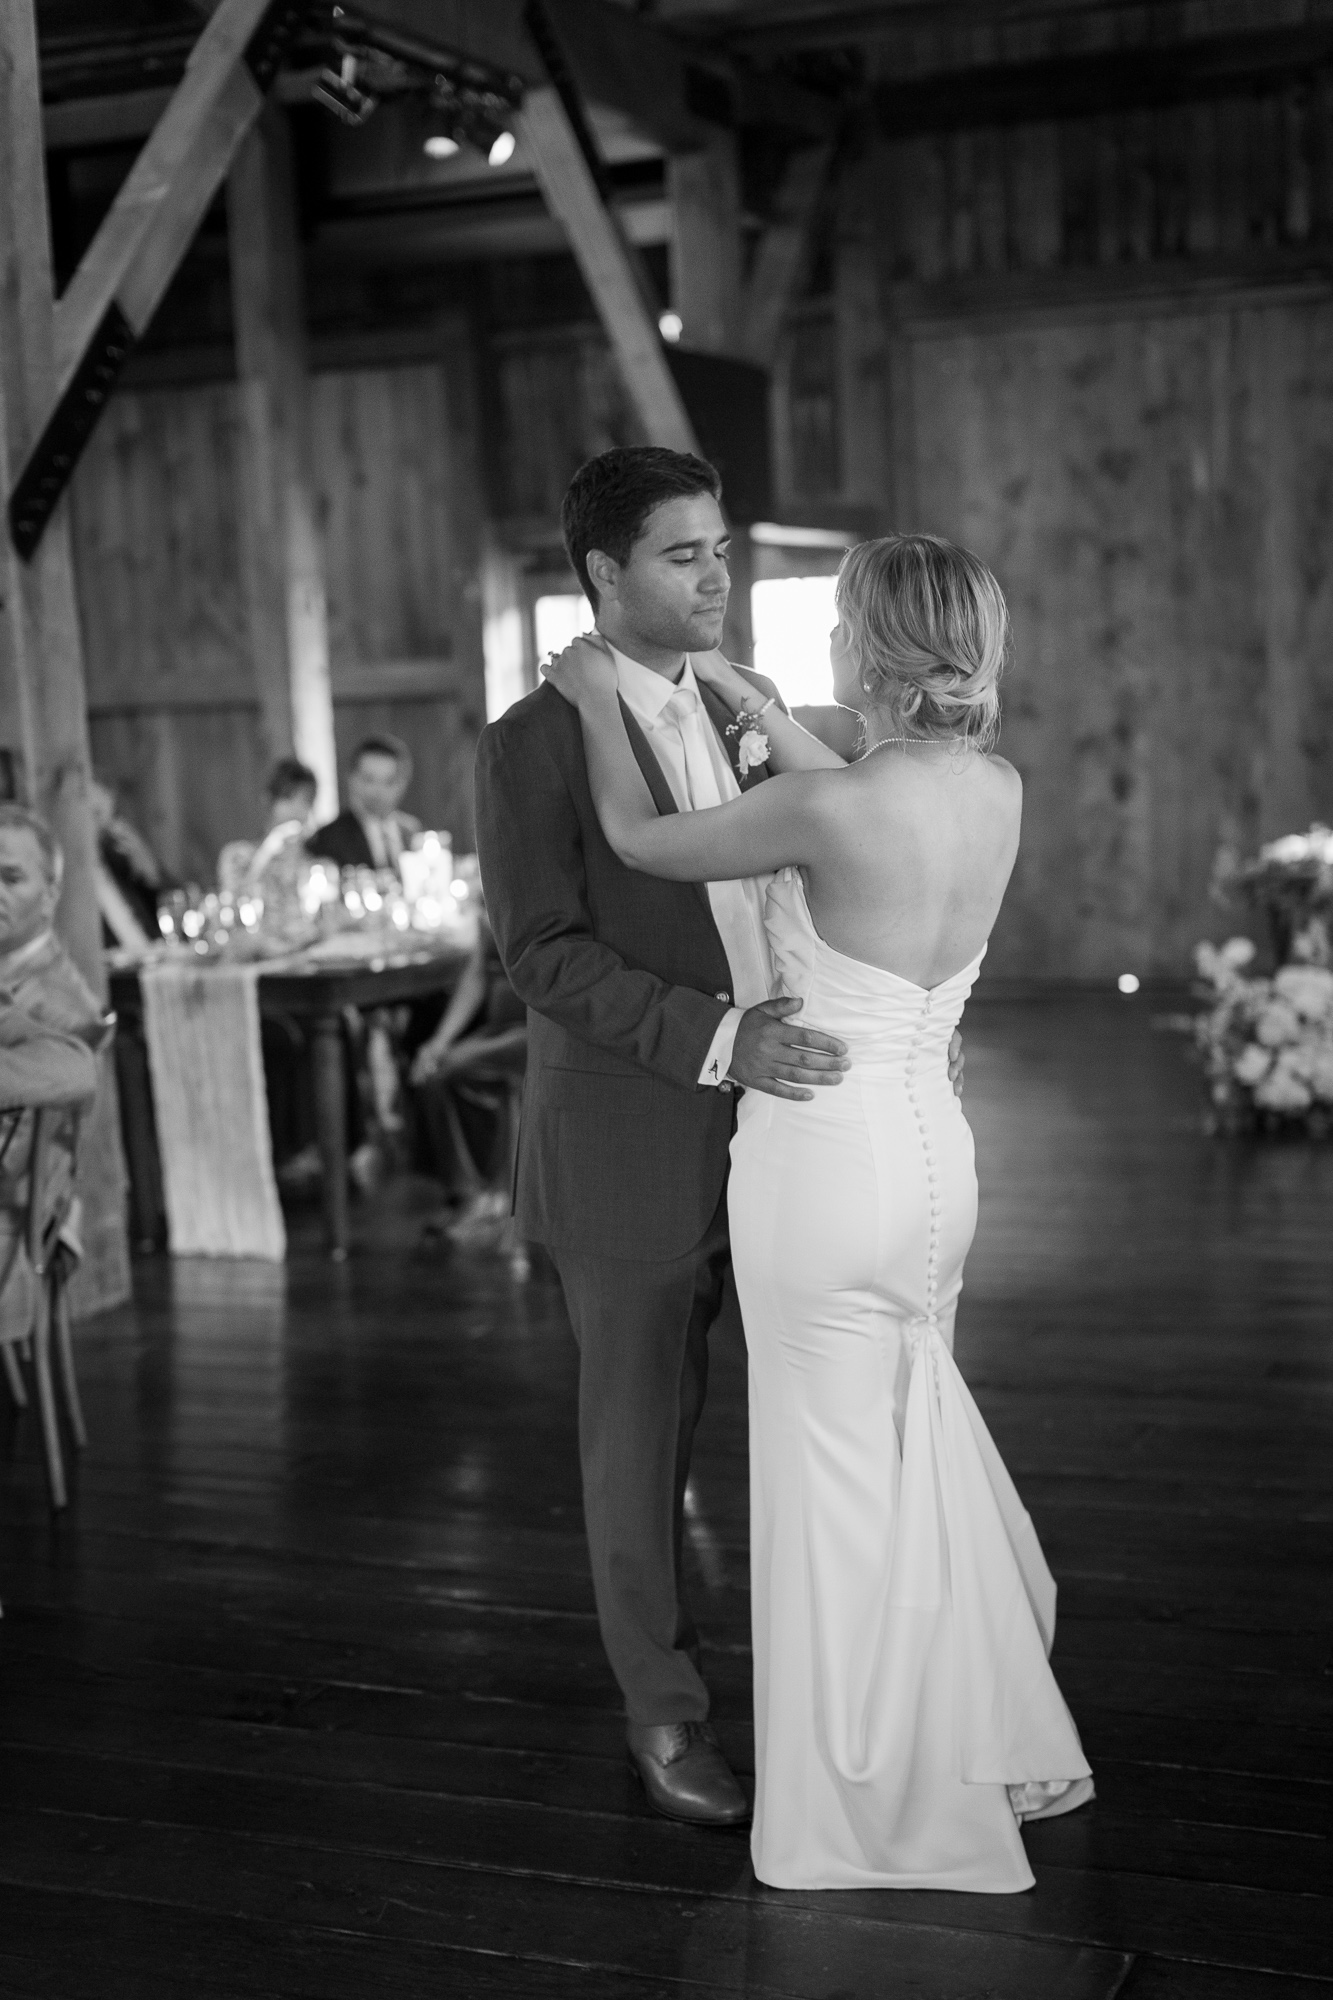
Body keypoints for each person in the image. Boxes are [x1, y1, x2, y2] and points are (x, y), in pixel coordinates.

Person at [542, 531, 1094, 1893]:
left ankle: (866, 1782)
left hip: (821, 1166)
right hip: (933, 1172)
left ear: (875, 646)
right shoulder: (995, 789)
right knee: (906, 1453)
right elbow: (851, 792)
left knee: (830, 1487)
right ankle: (954, 1728)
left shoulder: (832, 808)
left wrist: (594, 697)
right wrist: (751, 702)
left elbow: (636, 837)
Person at [474, 446, 964, 1829]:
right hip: (633, 1133)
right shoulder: (532, 739)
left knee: (828, 1411)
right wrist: (716, 1036)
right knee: (639, 1442)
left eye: (720, 548)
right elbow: (541, 952)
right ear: (601, 576)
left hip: (800, 1125)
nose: (715, 574)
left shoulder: (755, 713)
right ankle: (664, 1712)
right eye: (683, 553)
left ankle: (859, 1684)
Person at [408, 908, 527, 1244]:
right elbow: (476, 976)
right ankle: (467, 1193)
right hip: (500, 1028)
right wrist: (439, 1042)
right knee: (433, 1067)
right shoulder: (488, 894)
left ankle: (487, 1198)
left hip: (540, 1027)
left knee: (455, 1070)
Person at [306, 736, 421, 873]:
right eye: (369, 780)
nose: (379, 791)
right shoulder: (329, 838)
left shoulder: (412, 831)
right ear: (352, 779)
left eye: (389, 782)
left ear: (402, 784)